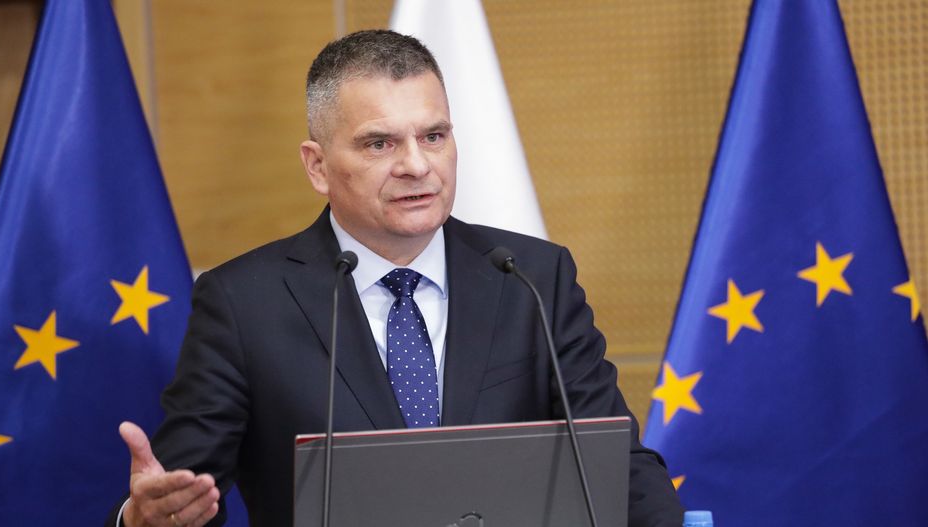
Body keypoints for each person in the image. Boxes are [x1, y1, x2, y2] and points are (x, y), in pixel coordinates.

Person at [108, 30, 683, 527]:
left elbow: (615, 464)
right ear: (317, 165)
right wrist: (143, 518)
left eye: (433, 136)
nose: (416, 165)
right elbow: (184, 492)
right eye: (380, 143)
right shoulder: (243, 303)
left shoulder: (533, 279)